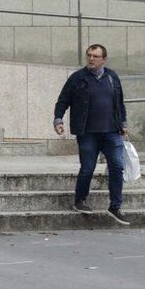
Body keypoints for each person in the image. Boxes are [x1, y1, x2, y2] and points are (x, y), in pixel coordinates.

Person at [54, 44, 130, 225]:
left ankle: (115, 207)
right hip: (87, 133)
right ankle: (80, 200)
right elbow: (63, 100)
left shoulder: (112, 77)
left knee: (117, 166)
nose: (91, 59)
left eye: (95, 56)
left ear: (104, 59)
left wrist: (124, 123)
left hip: (112, 132)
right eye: (89, 55)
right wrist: (58, 120)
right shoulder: (77, 78)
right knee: (88, 167)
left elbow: (119, 102)